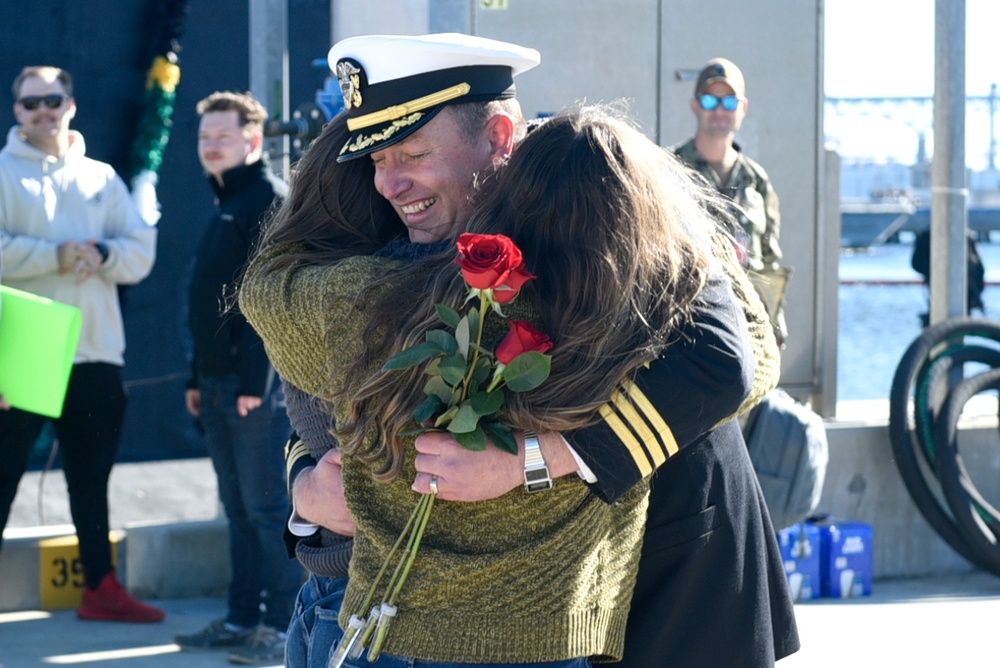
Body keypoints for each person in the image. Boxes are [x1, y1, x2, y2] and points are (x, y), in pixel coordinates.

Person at [242, 33, 796, 667]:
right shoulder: (373, 233)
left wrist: (535, 459)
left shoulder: (596, 212)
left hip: (625, 610)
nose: (389, 184)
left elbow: (726, 359)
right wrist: (304, 485)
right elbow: (316, 392)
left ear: (501, 137)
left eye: (413, 153)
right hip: (358, 609)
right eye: (375, 159)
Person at [0, 65, 162, 622]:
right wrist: (56, 254)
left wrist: (106, 256)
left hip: (94, 350)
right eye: (30, 103)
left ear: (71, 103)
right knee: (1, 475)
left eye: (52, 99)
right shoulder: (1, 173)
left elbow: (139, 252)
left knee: (91, 478)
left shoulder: (102, 177)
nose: (42, 110)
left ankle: (100, 589)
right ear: (16, 111)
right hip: (22, 350)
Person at [173, 91, 302, 665]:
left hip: (256, 394)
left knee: (267, 508)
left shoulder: (267, 201)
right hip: (218, 386)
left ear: (253, 141)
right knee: (237, 508)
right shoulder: (224, 200)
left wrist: (257, 384)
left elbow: (266, 302)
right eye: (205, 138)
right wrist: (196, 378)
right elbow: (206, 302)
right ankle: (239, 619)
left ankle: (279, 628)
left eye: (222, 136)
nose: (211, 146)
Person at [672, 57, 790, 346]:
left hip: (747, 329)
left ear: (743, 108)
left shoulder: (756, 180)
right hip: (687, 326)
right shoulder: (669, 169)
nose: (720, 110)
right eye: (711, 101)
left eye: (730, 102)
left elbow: (769, 261)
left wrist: (774, 330)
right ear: (695, 105)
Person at [910, 227, 985, 327]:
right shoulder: (967, 235)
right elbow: (979, 269)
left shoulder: (967, 237)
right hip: (946, 291)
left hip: (963, 292)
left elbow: (917, 263)